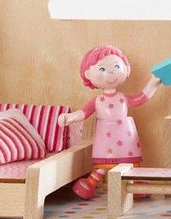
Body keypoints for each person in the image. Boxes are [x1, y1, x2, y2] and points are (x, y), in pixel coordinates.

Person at [60, 44, 162, 201]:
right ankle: (91, 183)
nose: (111, 73)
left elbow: (141, 98)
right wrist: (70, 117)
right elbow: (83, 113)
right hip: (105, 137)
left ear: (126, 68)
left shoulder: (122, 98)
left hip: (126, 136)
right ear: (88, 74)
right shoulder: (97, 100)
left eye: (116, 66)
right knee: (102, 166)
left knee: (130, 163)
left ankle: (133, 184)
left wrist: (152, 84)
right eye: (102, 69)